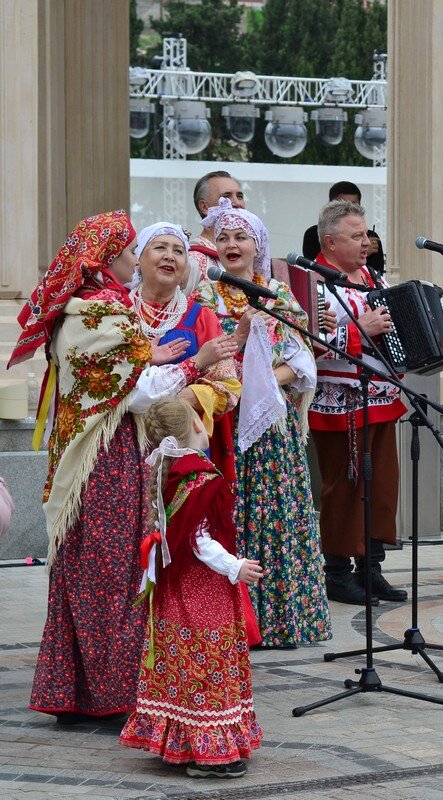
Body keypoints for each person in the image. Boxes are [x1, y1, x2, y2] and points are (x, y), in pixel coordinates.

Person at [8, 211, 237, 723]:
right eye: (133, 251)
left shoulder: (84, 308)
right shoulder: (99, 312)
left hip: (93, 456)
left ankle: (72, 692)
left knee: (84, 569)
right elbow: (134, 393)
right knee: (111, 573)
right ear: (108, 259)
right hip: (105, 459)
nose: (136, 260)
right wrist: (194, 364)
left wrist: (159, 359)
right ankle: (110, 695)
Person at [194, 199, 332, 646]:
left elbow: (301, 357)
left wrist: (263, 384)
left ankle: (281, 620)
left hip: (271, 422)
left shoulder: (277, 293)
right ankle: (232, 622)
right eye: (224, 237)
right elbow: (203, 354)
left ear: (258, 246)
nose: (231, 244)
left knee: (276, 514)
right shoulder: (204, 295)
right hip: (223, 418)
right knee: (230, 511)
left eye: (241, 237)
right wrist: (239, 382)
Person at [309, 200, 443, 605]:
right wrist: (360, 330)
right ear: (330, 241)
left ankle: (370, 570)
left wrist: (439, 333)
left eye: (367, 234)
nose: (367, 243)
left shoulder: (373, 277)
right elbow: (309, 344)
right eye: (356, 236)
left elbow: (393, 333)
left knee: (380, 488)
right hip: (339, 405)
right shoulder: (314, 283)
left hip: (382, 398)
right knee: (345, 489)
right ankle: (337, 573)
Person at [118, 398, 263, 779]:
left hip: (173, 588)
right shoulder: (201, 479)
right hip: (201, 593)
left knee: (181, 664)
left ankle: (181, 743)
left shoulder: (165, 472)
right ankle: (209, 751)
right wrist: (235, 566)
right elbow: (200, 540)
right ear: (197, 426)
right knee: (206, 664)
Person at [128, 221, 242, 481]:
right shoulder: (118, 311)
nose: (170, 256)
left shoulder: (202, 316)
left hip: (183, 444)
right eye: (160, 248)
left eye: (179, 251)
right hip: (125, 439)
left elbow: (228, 386)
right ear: (138, 259)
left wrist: (182, 399)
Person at [187, 171, 246, 294]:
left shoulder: (248, 254)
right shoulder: (194, 260)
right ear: (204, 207)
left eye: (239, 196)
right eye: (226, 197)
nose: (237, 203)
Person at [302, 181, 363, 260]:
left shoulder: (369, 237)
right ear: (330, 205)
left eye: (353, 205)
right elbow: (314, 263)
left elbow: (374, 267)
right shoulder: (314, 234)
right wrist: (360, 252)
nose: (348, 210)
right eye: (341, 205)